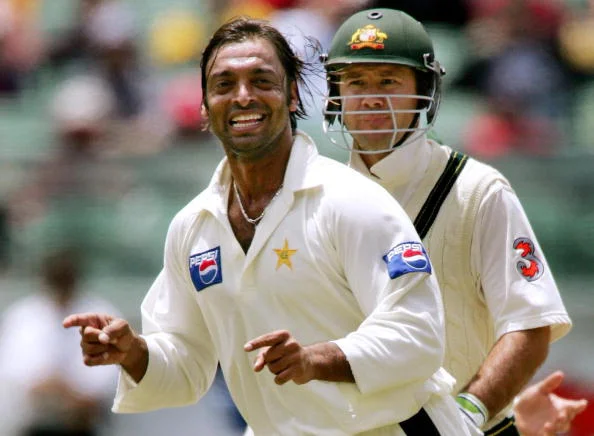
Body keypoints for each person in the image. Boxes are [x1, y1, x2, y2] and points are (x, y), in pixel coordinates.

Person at [63, 17, 474, 435]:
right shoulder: (193, 227)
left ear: (292, 95)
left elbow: (418, 335)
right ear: (205, 106)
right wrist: (133, 352)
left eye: (261, 81)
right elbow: (187, 364)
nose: (243, 97)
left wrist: (316, 360)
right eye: (224, 85)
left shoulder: (352, 201)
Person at [320, 7, 578, 436]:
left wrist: (467, 413)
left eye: (389, 81)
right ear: (336, 94)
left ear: (424, 90)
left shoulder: (477, 190)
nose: (371, 98)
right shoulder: (319, 197)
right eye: (356, 82)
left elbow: (530, 324)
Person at [0, 248, 119, 436]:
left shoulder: (100, 312)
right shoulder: (23, 315)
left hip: (83, 423)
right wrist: (46, 385)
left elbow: (112, 369)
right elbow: (12, 368)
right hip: (35, 422)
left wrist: (75, 392)